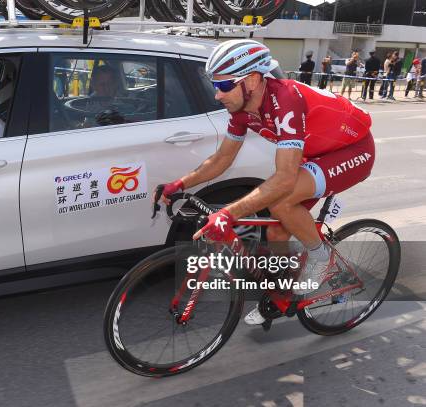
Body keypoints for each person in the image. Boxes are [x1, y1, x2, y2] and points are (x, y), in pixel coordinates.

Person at [159, 39, 374, 326]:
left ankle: (324, 261)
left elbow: (284, 179)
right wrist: (180, 183)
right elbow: (222, 159)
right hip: (315, 155)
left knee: (281, 202)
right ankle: (279, 297)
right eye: (215, 85)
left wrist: (228, 214)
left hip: (352, 150)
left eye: (223, 86)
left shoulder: (285, 99)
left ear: (252, 80)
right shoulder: (242, 110)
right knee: (275, 236)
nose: (216, 95)